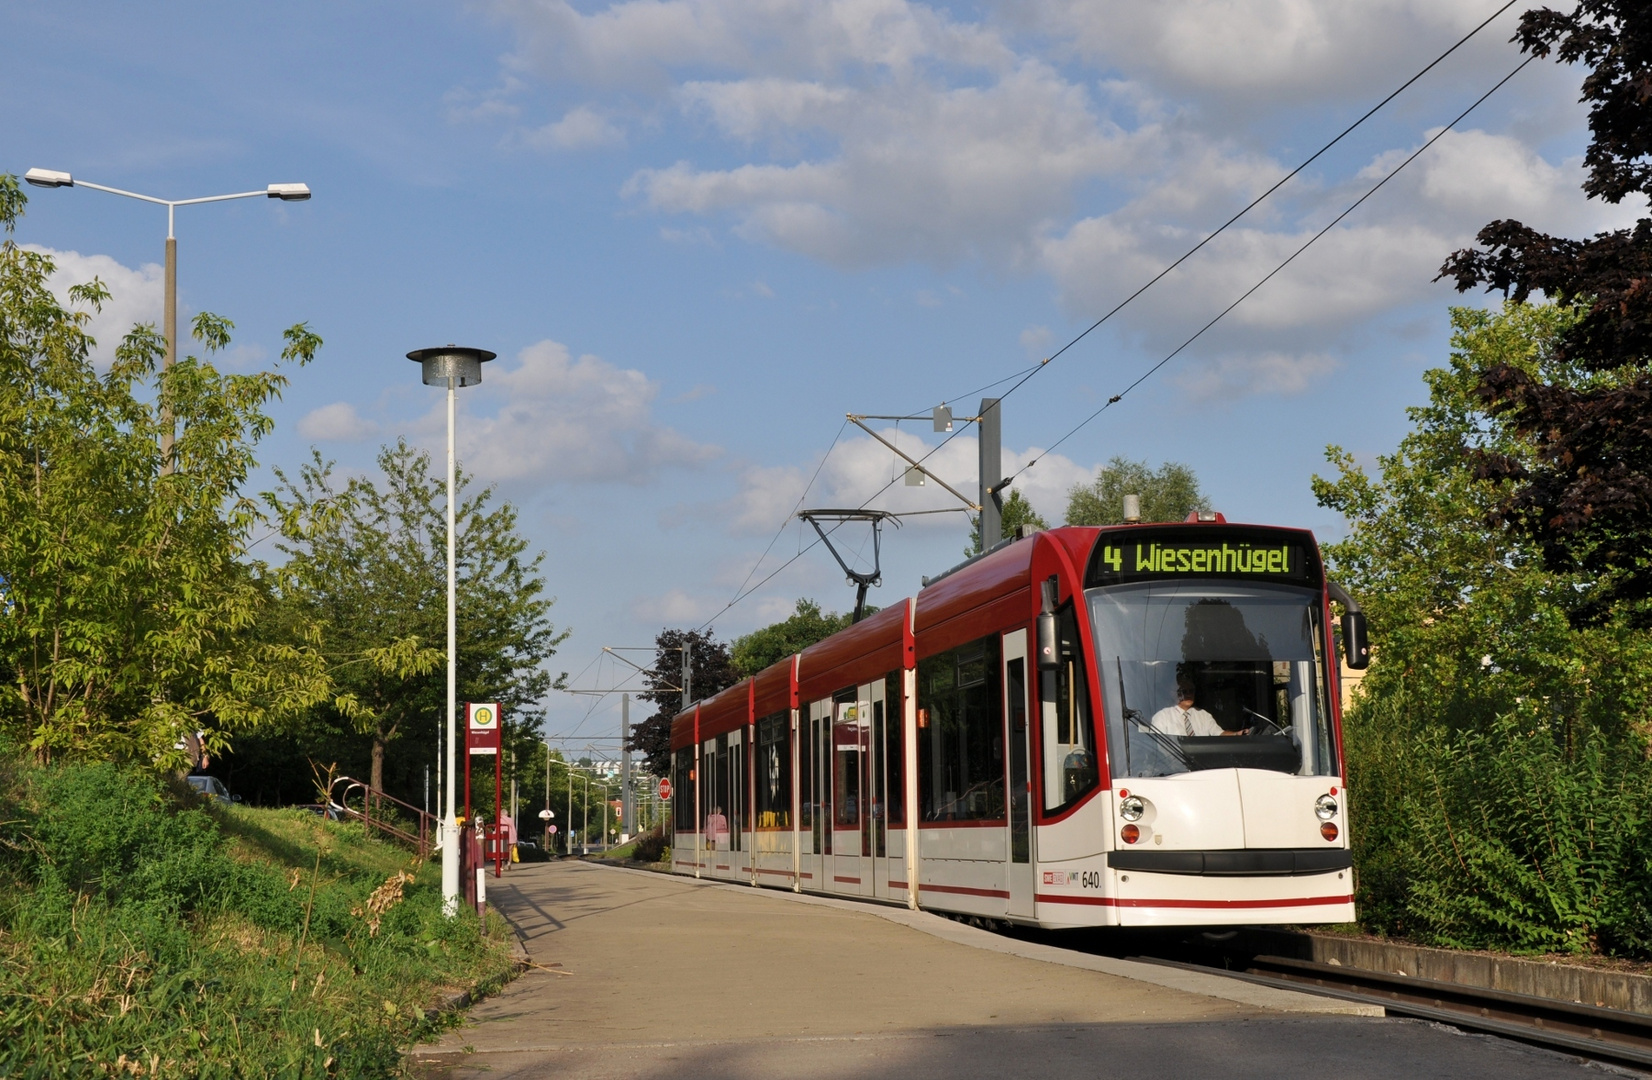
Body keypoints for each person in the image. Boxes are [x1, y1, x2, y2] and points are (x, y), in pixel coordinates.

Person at [1150, 676, 1228, 737]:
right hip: (1174, 757)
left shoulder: (1204, 716)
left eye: (1191, 691)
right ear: (1173, 693)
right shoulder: (1162, 717)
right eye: (1184, 691)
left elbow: (1219, 734)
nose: (1188, 694)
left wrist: (1237, 734)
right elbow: (1158, 746)